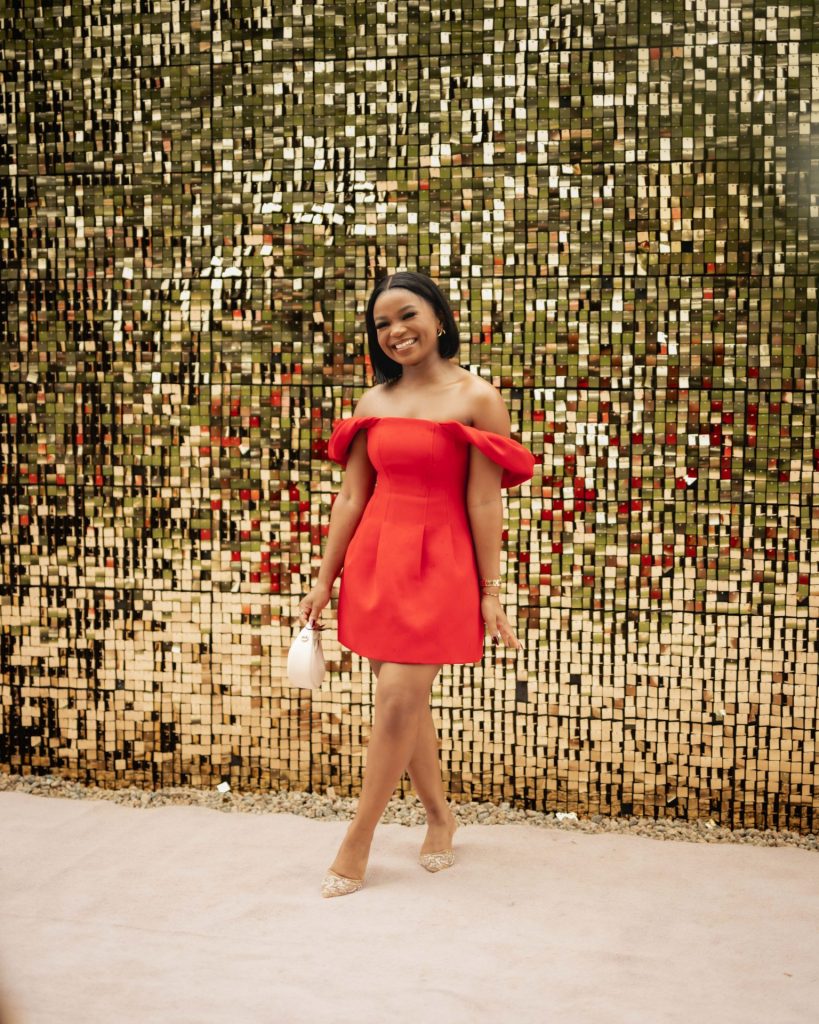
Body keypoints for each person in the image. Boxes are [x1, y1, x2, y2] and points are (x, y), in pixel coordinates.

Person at [297, 270, 535, 898]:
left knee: (399, 696)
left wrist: (490, 591)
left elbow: (484, 502)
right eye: (382, 324)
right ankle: (438, 816)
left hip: (442, 563)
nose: (396, 331)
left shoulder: (478, 397)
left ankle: (358, 839)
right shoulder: (372, 403)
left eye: (407, 315)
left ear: (439, 318)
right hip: (376, 561)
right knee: (405, 704)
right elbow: (352, 496)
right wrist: (323, 580)